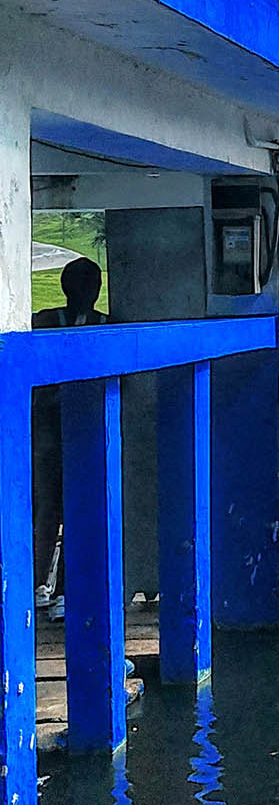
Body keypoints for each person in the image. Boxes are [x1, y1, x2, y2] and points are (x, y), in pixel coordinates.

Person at [33, 256, 106, 616]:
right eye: (82, 285)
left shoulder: (106, 325)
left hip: (85, 433)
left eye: (92, 286)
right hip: (49, 429)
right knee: (46, 509)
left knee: (75, 508)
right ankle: (38, 583)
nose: (88, 293)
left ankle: (65, 586)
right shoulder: (45, 322)